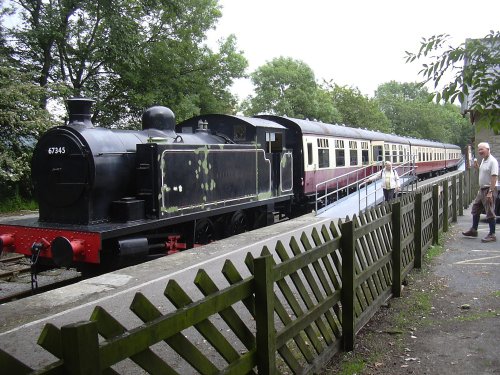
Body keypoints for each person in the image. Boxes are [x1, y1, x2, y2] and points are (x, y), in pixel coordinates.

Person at [462, 142, 498, 243]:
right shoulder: (484, 160)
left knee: (490, 212)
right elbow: (483, 172)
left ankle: (492, 234)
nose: (480, 151)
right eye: (479, 150)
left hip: (488, 189)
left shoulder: (492, 161)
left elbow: (494, 177)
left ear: (488, 149)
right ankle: (474, 230)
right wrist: (477, 167)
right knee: (475, 208)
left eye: (482, 149)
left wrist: (490, 192)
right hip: (482, 189)